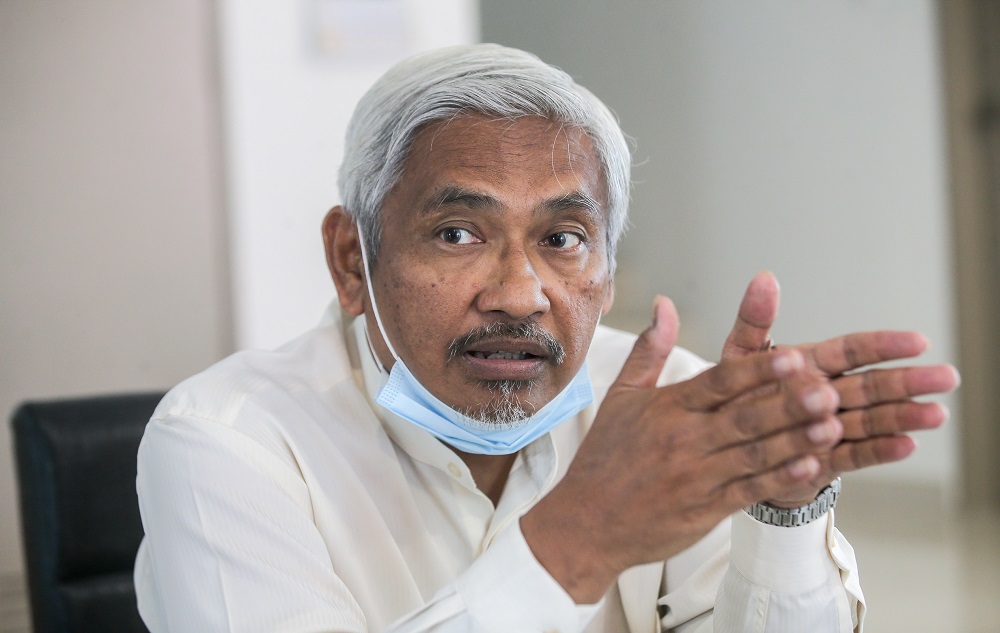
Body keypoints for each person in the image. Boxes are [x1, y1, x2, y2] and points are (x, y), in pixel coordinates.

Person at [134, 43, 959, 632]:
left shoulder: (669, 397)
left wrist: (781, 513)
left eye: (563, 238)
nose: (520, 294)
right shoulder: (225, 440)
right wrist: (582, 533)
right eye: (457, 232)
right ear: (353, 259)